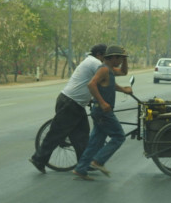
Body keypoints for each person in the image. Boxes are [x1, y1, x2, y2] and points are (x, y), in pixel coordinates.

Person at [29, 44, 127, 174]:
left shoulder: (95, 63)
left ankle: (83, 164)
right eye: (106, 56)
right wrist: (122, 91)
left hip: (75, 104)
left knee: (82, 136)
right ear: (99, 55)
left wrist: (125, 57)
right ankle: (38, 159)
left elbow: (122, 72)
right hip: (70, 103)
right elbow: (108, 81)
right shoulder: (95, 63)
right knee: (57, 133)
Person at [72, 45, 132, 180]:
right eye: (120, 58)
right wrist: (103, 102)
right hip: (103, 111)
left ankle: (80, 169)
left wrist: (125, 56)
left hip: (100, 111)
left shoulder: (109, 69)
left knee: (95, 142)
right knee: (119, 136)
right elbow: (91, 84)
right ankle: (98, 161)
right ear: (113, 58)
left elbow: (123, 72)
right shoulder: (104, 69)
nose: (121, 61)